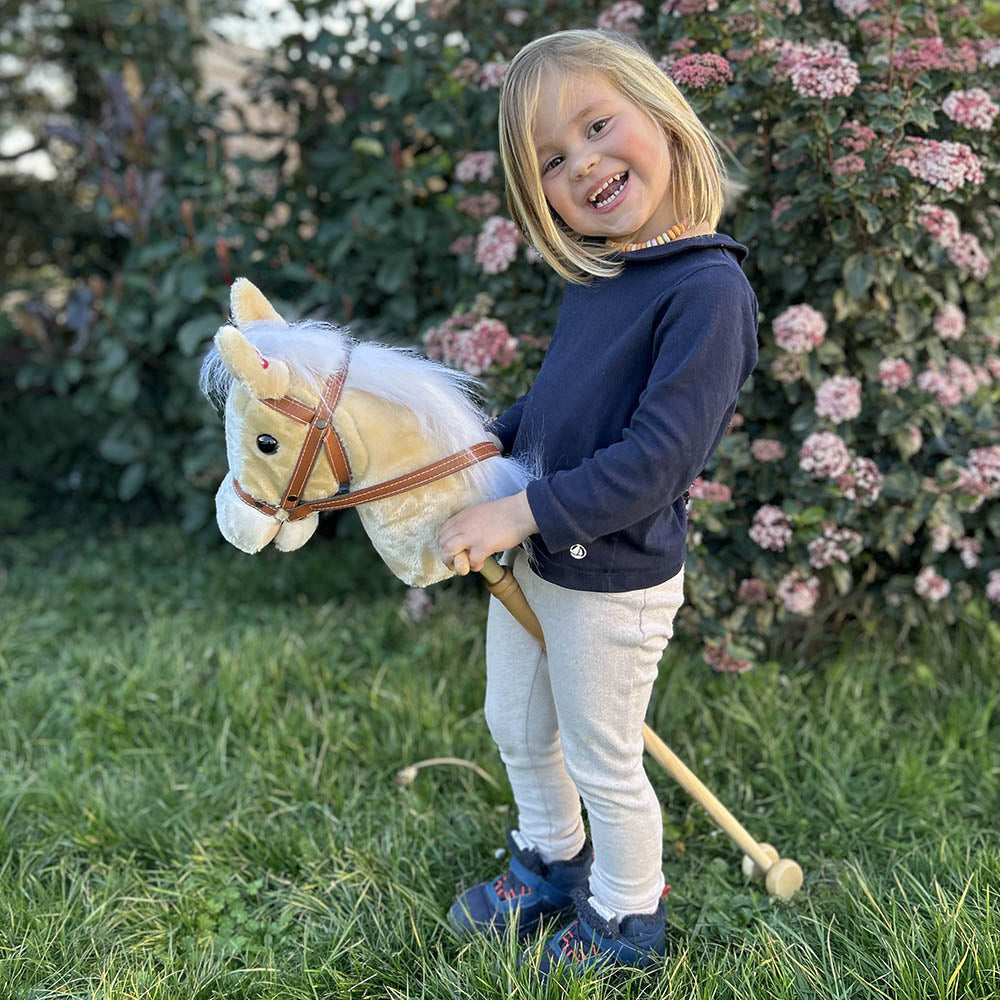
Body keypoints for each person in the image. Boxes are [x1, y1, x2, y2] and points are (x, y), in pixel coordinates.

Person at [438, 27, 759, 977]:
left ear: (662, 116)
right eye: (551, 160)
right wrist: (488, 443)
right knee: (515, 722)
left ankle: (626, 917)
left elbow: (657, 461)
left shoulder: (707, 291)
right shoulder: (601, 277)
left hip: (615, 579)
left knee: (603, 755)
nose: (581, 163)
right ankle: (551, 859)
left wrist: (516, 513)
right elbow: (557, 407)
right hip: (540, 553)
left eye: (596, 126)